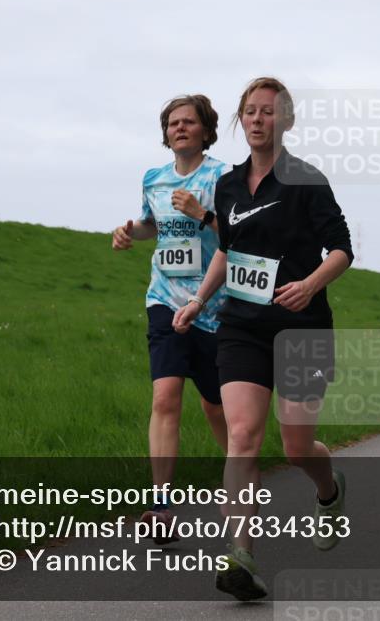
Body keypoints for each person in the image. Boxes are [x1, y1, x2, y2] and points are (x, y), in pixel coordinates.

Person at [173, 77, 353, 601]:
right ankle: (242, 555)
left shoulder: (306, 181)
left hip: (302, 329)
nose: (256, 119)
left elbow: (341, 249)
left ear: (286, 121)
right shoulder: (227, 186)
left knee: (296, 448)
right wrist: (199, 300)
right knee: (243, 437)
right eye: (249, 112)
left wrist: (310, 284)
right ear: (240, 120)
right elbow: (228, 252)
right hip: (242, 328)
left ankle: (329, 489)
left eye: (268, 112)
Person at [112, 94, 229, 541]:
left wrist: (203, 214)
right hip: (164, 299)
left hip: (213, 306)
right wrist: (128, 231)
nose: (179, 128)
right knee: (165, 399)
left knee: (215, 406)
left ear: (205, 130)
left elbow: (238, 234)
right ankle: (161, 507)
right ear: (165, 133)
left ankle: (241, 478)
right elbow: (152, 225)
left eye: (188, 122)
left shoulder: (222, 176)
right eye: (172, 123)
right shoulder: (153, 179)